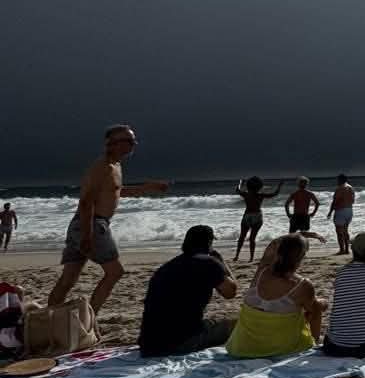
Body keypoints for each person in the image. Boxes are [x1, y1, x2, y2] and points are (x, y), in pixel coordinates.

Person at [48, 125, 170, 314]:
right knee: (115, 272)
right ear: (112, 144)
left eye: (133, 140)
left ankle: (49, 319)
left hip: (83, 224)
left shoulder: (116, 166)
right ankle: (89, 317)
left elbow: (117, 191)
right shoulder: (102, 167)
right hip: (92, 224)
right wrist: (87, 236)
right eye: (127, 141)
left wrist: (148, 187)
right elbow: (86, 202)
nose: (132, 144)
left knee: (68, 279)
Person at [138, 225, 238, 358]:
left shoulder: (168, 266)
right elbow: (231, 292)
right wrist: (221, 262)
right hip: (182, 341)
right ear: (209, 243)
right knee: (237, 323)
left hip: (149, 343)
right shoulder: (209, 263)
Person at [226, 233, 323, 357]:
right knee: (317, 307)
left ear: (279, 252)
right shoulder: (303, 285)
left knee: (309, 306)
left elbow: (274, 243)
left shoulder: (261, 270)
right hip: (280, 348)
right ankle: (314, 343)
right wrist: (321, 305)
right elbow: (313, 311)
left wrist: (300, 235)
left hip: (242, 348)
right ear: (302, 256)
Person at [234, 176, 283, 261]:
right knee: (252, 238)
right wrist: (279, 186)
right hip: (257, 216)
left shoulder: (246, 194)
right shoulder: (260, 195)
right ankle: (251, 258)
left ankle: (237, 256)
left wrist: (240, 182)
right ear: (259, 187)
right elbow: (274, 194)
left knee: (242, 237)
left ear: (248, 186)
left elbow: (237, 190)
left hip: (247, 216)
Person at [286, 177, 324, 242]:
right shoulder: (309, 194)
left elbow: (286, 204)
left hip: (296, 216)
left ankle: (293, 249)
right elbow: (317, 203)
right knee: (304, 235)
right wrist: (313, 213)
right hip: (304, 216)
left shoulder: (295, 194)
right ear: (306, 184)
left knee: (291, 235)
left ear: (298, 184)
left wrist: (288, 214)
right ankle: (302, 250)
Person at [328, 174, 357, 255]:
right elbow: (353, 200)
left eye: (337, 180)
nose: (337, 181)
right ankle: (347, 250)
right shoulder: (350, 188)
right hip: (349, 210)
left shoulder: (340, 188)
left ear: (340, 180)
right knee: (345, 230)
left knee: (339, 231)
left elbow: (334, 201)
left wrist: (330, 212)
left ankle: (342, 250)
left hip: (341, 210)